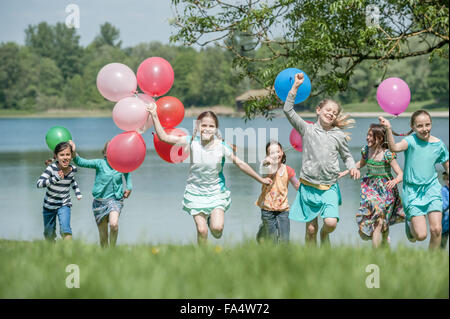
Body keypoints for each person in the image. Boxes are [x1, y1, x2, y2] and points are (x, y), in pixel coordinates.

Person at [147, 104, 272, 245]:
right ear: (198, 127)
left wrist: (260, 179)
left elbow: (241, 164)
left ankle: (210, 220)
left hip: (216, 193)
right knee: (202, 231)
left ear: (216, 129)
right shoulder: (190, 141)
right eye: (203, 125)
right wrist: (154, 114)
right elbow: (163, 137)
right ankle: (202, 260)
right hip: (195, 192)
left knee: (217, 229)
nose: (207, 129)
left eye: (211, 126)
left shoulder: (221, 146)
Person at [284, 73, 360, 247]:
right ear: (318, 110)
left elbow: (347, 156)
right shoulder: (307, 129)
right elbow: (288, 110)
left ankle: (324, 235)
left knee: (331, 223)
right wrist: (295, 87)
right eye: (328, 111)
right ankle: (311, 261)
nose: (331, 114)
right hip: (309, 186)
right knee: (310, 230)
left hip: (329, 187)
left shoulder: (338, 135)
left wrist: (352, 167)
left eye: (334, 113)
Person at [379, 110, 449, 249]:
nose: (425, 129)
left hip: (432, 189)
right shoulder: (410, 141)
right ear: (413, 127)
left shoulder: (439, 145)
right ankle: (409, 223)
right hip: (412, 192)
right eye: (420, 126)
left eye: (427, 125)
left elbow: (447, 166)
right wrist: (388, 128)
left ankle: (432, 263)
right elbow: (394, 148)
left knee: (436, 229)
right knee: (421, 235)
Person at [342, 124, 405, 248]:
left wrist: (395, 181)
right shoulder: (366, 150)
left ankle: (384, 241)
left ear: (380, 138)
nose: (367, 138)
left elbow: (400, 174)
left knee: (382, 222)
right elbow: (361, 163)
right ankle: (376, 252)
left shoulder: (387, 154)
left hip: (386, 190)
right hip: (370, 189)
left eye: (371, 136)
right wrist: (348, 170)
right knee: (377, 219)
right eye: (367, 135)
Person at [69, 140, 132, 248]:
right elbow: (80, 162)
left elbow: (128, 175)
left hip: (115, 200)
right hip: (99, 202)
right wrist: (74, 151)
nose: (112, 151)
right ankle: (105, 256)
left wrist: (129, 188)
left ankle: (112, 249)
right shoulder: (99, 163)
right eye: (110, 149)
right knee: (103, 238)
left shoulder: (121, 164)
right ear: (105, 153)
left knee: (114, 225)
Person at [255, 141, 299, 244]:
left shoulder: (288, 170)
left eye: (278, 151)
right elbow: (265, 175)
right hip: (267, 209)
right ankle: (263, 231)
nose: (275, 154)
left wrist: (307, 189)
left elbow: (297, 184)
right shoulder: (266, 168)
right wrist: (267, 163)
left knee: (285, 240)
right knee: (272, 241)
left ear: (282, 152)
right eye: (272, 153)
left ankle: (283, 258)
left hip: (283, 209)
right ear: (267, 156)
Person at [37, 141, 82, 241]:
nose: (65, 157)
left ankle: (69, 254)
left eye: (68, 154)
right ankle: (51, 253)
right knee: (49, 234)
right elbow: (39, 183)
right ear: (56, 157)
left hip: (64, 204)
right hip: (49, 205)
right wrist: (55, 178)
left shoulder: (73, 169)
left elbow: (72, 181)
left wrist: (77, 193)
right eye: (62, 155)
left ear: (71, 156)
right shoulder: (51, 168)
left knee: (66, 230)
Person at [441, 172, 449, 249]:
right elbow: (443, 206)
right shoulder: (443, 190)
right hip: (445, 224)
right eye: (447, 179)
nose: (448, 181)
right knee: (442, 245)